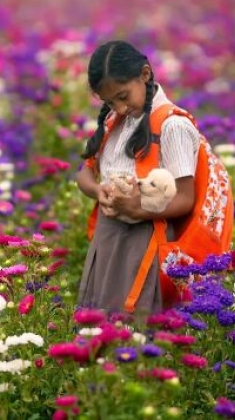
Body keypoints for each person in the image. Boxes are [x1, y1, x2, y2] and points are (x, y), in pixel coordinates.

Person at [75, 39, 202, 315]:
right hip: (108, 236)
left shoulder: (172, 125)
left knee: (135, 324)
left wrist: (136, 208)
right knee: (100, 323)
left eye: (122, 96)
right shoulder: (114, 122)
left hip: (144, 239)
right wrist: (99, 192)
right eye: (109, 102)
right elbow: (84, 174)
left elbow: (185, 198)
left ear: (145, 75)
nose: (118, 107)